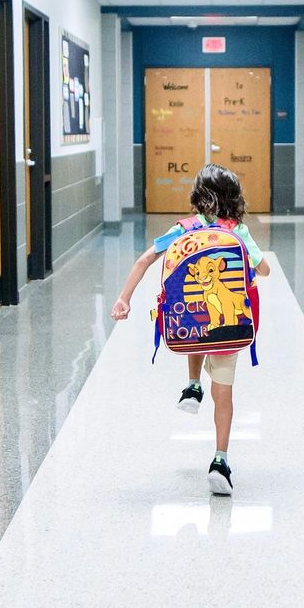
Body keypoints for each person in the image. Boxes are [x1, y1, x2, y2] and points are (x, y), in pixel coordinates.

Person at [111, 164, 269, 495]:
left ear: (198, 197)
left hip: (189, 323)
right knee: (224, 391)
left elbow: (143, 261)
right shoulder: (237, 231)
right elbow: (263, 270)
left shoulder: (183, 229)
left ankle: (193, 384)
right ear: (233, 198)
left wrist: (124, 299)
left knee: (194, 325)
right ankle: (220, 460)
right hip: (230, 325)